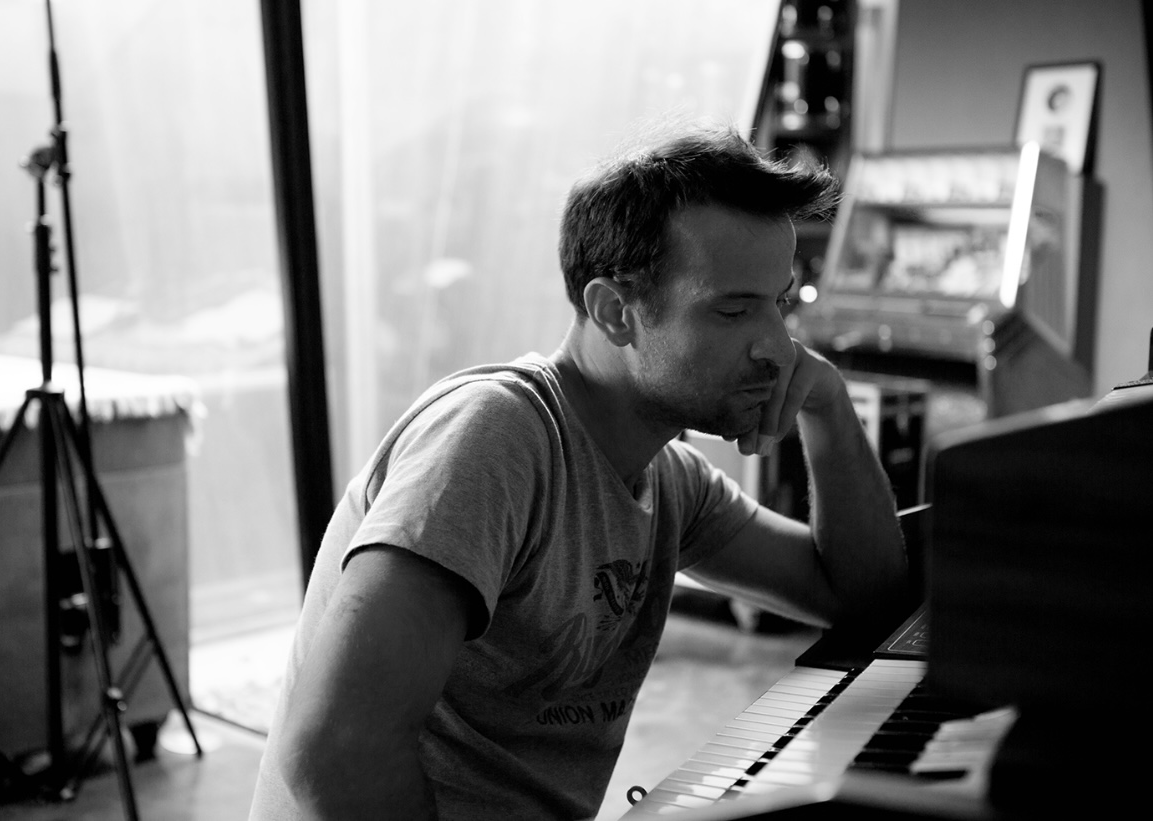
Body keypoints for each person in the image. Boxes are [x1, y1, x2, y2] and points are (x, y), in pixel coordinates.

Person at [248, 122, 909, 821]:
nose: (777, 347)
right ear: (615, 312)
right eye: (734, 310)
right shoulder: (496, 438)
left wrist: (828, 408)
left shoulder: (668, 479)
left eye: (780, 303)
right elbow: (336, 753)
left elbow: (862, 602)